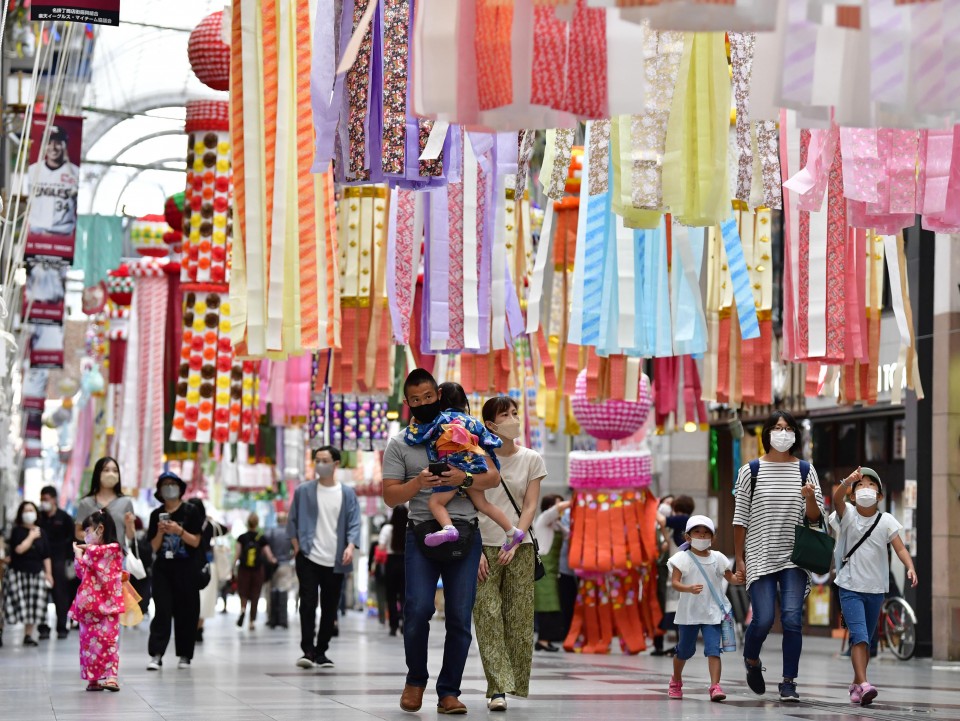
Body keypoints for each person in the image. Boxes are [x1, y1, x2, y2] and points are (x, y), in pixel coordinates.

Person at [382, 368, 502, 715]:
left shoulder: (464, 430)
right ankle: (415, 680)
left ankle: (449, 690)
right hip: (420, 532)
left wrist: (464, 478)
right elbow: (390, 496)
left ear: (438, 395)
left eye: (428, 398)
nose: (422, 404)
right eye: (415, 400)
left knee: (460, 617)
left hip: (465, 532)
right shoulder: (401, 443)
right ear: (407, 403)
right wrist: (417, 484)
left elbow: (492, 476)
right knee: (418, 609)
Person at [733, 410, 824, 703]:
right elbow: (740, 518)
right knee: (763, 620)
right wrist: (740, 558)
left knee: (792, 619)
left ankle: (788, 682)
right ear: (767, 433)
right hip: (760, 554)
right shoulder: (751, 470)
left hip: (794, 557)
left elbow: (815, 518)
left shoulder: (805, 470)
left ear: (795, 434)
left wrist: (809, 497)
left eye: (787, 428)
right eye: (777, 427)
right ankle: (751, 660)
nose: (782, 433)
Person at [472, 395, 545, 711]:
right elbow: (469, 507)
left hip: (521, 547)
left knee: (518, 619)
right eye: (507, 415)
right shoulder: (476, 459)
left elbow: (530, 505)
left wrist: (513, 542)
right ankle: (496, 689)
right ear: (490, 424)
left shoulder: (531, 458)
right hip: (482, 548)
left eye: (516, 413)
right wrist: (474, 550)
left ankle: (509, 683)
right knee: (486, 616)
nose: (514, 418)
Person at [831, 467, 918, 707]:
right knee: (859, 637)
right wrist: (847, 481)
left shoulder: (886, 520)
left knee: (866, 640)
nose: (865, 489)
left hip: (876, 590)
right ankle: (866, 683)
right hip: (849, 588)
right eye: (860, 485)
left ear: (879, 496)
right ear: (852, 494)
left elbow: (900, 548)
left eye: (871, 486)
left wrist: (909, 566)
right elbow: (837, 498)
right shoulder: (847, 514)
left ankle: (857, 685)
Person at [403, 382, 523, 550]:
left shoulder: (440, 420)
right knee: (483, 504)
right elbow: (490, 440)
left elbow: (417, 435)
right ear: (463, 402)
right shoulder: (474, 422)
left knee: (435, 503)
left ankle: (448, 528)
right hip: (475, 465)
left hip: (452, 468)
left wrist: (413, 425)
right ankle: (512, 531)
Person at [287, 446, 361, 669]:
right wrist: (298, 548)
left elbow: (354, 522)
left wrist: (350, 546)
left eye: (325, 460)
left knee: (330, 607)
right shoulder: (303, 491)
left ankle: (322, 651)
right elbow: (292, 522)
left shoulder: (347, 493)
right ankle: (307, 650)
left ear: (336, 463)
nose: (320, 464)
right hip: (308, 556)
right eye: (317, 460)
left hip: (337, 560)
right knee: (308, 603)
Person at [667, 515, 743, 702]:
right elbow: (675, 583)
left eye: (706, 533)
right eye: (697, 532)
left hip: (713, 612)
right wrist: (688, 588)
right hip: (689, 613)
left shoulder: (718, 558)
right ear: (688, 537)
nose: (702, 536)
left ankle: (715, 686)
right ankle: (676, 680)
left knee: (713, 650)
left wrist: (739, 578)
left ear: (713, 537)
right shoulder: (681, 558)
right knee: (685, 650)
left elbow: (730, 578)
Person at [146, 472, 203, 671]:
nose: (169, 487)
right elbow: (152, 548)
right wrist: (161, 532)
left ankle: (185, 655)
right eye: (165, 484)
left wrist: (179, 531)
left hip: (186, 568)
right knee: (162, 610)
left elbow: (196, 541)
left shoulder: (191, 511)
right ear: (159, 491)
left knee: (187, 612)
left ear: (180, 487)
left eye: (173, 484)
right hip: (163, 569)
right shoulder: (156, 515)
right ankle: (157, 654)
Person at [70, 510, 125, 692]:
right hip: (88, 605)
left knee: (108, 640)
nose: (85, 536)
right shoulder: (91, 552)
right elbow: (80, 572)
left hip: (108, 605)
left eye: (87, 531)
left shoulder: (113, 549)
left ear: (100, 529)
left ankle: (111, 676)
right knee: (88, 643)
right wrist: (79, 555)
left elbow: (98, 554)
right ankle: (93, 678)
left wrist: (83, 550)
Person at [3, 502, 53, 646]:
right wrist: (31, 537)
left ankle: (28, 635)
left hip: (36, 573)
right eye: (26, 510)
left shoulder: (42, 532)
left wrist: (49, 573)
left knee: (33, 606)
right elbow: (18, 550)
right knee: (10, 604)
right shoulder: (17, 531)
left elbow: (46, 555)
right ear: (21, 514)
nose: (29, 513)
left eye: (31, 510)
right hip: (17, 573)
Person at [654, 495, 694, 656]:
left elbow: (662, 521)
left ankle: (682, 645)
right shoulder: (687, 521)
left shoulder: (681, 519)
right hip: (684, 567)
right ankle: (680, 645)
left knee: (679, 608)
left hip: (682, 569)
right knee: (679, 609)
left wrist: (652, 508)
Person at [533, 495, 571, 653]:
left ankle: (545, 640)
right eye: (558, 503)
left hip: (553, 570)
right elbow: (557, 510)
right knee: (547, 606)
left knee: (552, 606)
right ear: (549, 506)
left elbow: (569, 534)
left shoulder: (557, 525)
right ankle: (542, 640)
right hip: (543, 568)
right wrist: (580, 498)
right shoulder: (543, 519)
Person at [25, 125, 80, 236]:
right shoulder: (33, 170)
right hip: (36, 231)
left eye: (58, 143)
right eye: (48, 143)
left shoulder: (75, 171)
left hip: (64, 233)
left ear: (65, 145)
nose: (53, 147)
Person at [37, 485, 75, 640]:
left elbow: (72, 538)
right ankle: (43, 628)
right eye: (42, 499)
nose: (44, 502)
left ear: (53, 499)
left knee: (61, 596)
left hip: (59, 561)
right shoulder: (39, 518)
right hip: (41, 561)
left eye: (46, 499)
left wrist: (69, 560)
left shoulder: (64, 517)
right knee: (41, 596)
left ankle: (61, 627)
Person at [75, 457, 136, 549]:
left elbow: (130, 536)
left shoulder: (126, 502)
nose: (111, 474)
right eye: (106, 470)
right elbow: (78, 532)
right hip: (94, 558)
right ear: (98, 473)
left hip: (118, 558)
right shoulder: (86, 503)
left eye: (115, 471)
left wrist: (129, 525)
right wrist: (91, 536)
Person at [188, 498, 225, 643]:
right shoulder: (208, 525)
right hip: (207, 564)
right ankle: (199, 627)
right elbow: (224, 529)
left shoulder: (187, 524)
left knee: (191, 598)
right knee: (205, 600)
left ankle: (192, 627)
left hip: (189, 563)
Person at [234, 512, 277, 631]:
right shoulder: (261, 538)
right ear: (257, 523)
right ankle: (251, 621)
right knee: (255, 595)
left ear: (247, 523)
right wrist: (274, 560)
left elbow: (237, 554)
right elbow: (269, 555)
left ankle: (243, 609)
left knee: (243, 592)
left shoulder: (242, 537)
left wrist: (232, 567)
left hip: (244, 570)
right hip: (258, 570)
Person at [378, 505, 408, 637]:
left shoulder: (387, 529)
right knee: (404, 595)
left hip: (391, 563)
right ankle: (404, 623)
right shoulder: (408, 528)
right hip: (406, 562)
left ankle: (393, 625)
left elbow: (381, 547)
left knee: (391, 596)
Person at [264, 511, 294, 629]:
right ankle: (283, 619)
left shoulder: (271, 532)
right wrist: (290, 557)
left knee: (272, 590)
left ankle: (272, 619)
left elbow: (265, 546)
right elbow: (295, 548)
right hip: (286, 564)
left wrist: (271, 558)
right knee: (283, 591)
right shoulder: (290, 534)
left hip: (273, 565)